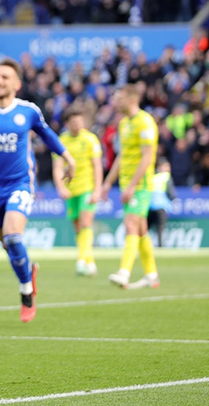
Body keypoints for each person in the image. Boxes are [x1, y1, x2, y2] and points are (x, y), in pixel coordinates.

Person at [0, 58, 75, 323]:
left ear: (17, 84)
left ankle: (26, 292)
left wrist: (69, 158)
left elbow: (48, 135)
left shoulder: (28, 111)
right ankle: (28, 270)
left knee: (12, 236)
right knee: (7, 243)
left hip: (21, 185)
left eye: (4, 77)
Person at [101, 84, 160, 289]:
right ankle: (151, 274)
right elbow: (122, 155)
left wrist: (133, 185)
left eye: (119, 98)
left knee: (131, 224)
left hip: (140, 184)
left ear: (132, 99)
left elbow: (147, 157)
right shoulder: (124, 123)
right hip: (126, 183)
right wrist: (108, 182)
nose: (115, 102)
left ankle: (124, 273)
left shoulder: (145, 122)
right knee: (141, 228)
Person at [52, 106, 103, 277]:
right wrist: (61, 187)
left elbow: (97, 166)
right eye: (74, 122)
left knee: (86, 222)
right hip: (71, 190)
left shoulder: (90, 139)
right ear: (67, 123)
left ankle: (81, 260)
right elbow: (57, 167)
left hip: (87, 188)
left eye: (80, 121)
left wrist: (97, 190)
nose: (78, 124)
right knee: (78, 227)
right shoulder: (61, 141)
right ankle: (90, 261)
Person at [147, 158, 175, 248]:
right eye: (166, 166)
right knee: (160, 228)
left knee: (146, 228)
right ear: (159, 167)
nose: (168, 169)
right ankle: (160, 247)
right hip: (161, 207)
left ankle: (141, 246)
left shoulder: (152, 177)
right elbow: (171, 193)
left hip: (149, 207)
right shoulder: (166, 177)